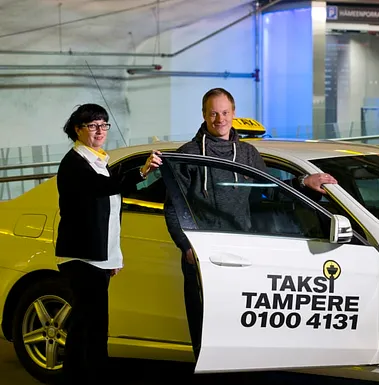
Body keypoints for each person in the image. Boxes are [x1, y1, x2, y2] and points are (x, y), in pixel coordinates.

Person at [163, 87, 337, 361]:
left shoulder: (247, 153)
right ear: (204, 115)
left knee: (238, 331)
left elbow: (270, 190)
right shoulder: (190, 154)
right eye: (213, 113)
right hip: (204, 256)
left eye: (224, 113)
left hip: (243, 252)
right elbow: (174, 208)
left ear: (233, 114)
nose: (219, 119)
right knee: (207, 334)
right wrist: (187, 247)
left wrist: (304, 182)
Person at [55, 103, 162, 384]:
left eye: (103, 124)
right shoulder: (75, 163)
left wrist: (113, 258)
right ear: (77, 130)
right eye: (92, 125)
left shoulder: (98, 162)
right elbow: (103, 189)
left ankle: (85, 374)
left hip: (98, 257)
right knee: (89, 324)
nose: (100, 130)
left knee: (91, 323)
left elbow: (110, 213)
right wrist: (141, 171)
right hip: (82, 256)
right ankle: (85, 375)